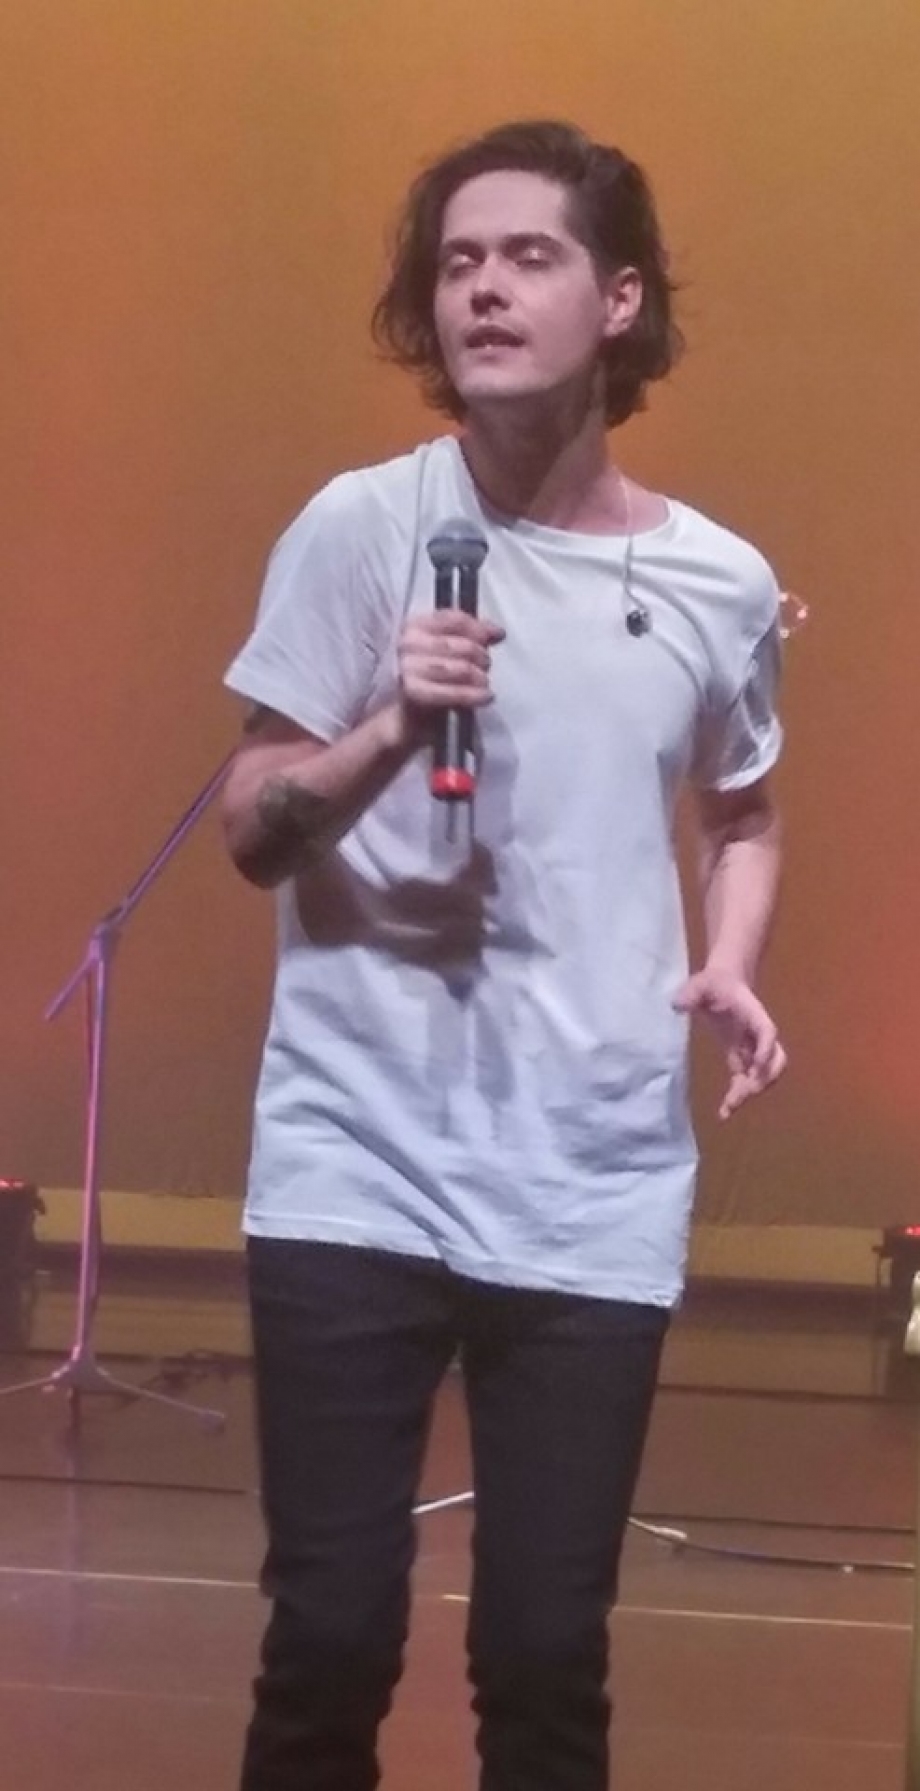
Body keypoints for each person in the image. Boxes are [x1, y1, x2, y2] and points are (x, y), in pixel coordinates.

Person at [221, 118, 787, 1791]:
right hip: (355, 1156)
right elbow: (254, 823)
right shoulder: (361, 527)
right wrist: (390, 727)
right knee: (329, 1637)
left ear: (618, 301)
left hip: (591, 1177)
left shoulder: (720, 581)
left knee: (546, 1658)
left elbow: (743, 812)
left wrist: (733, 958)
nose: (481, 288)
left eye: (527, 256)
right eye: (457, 260)